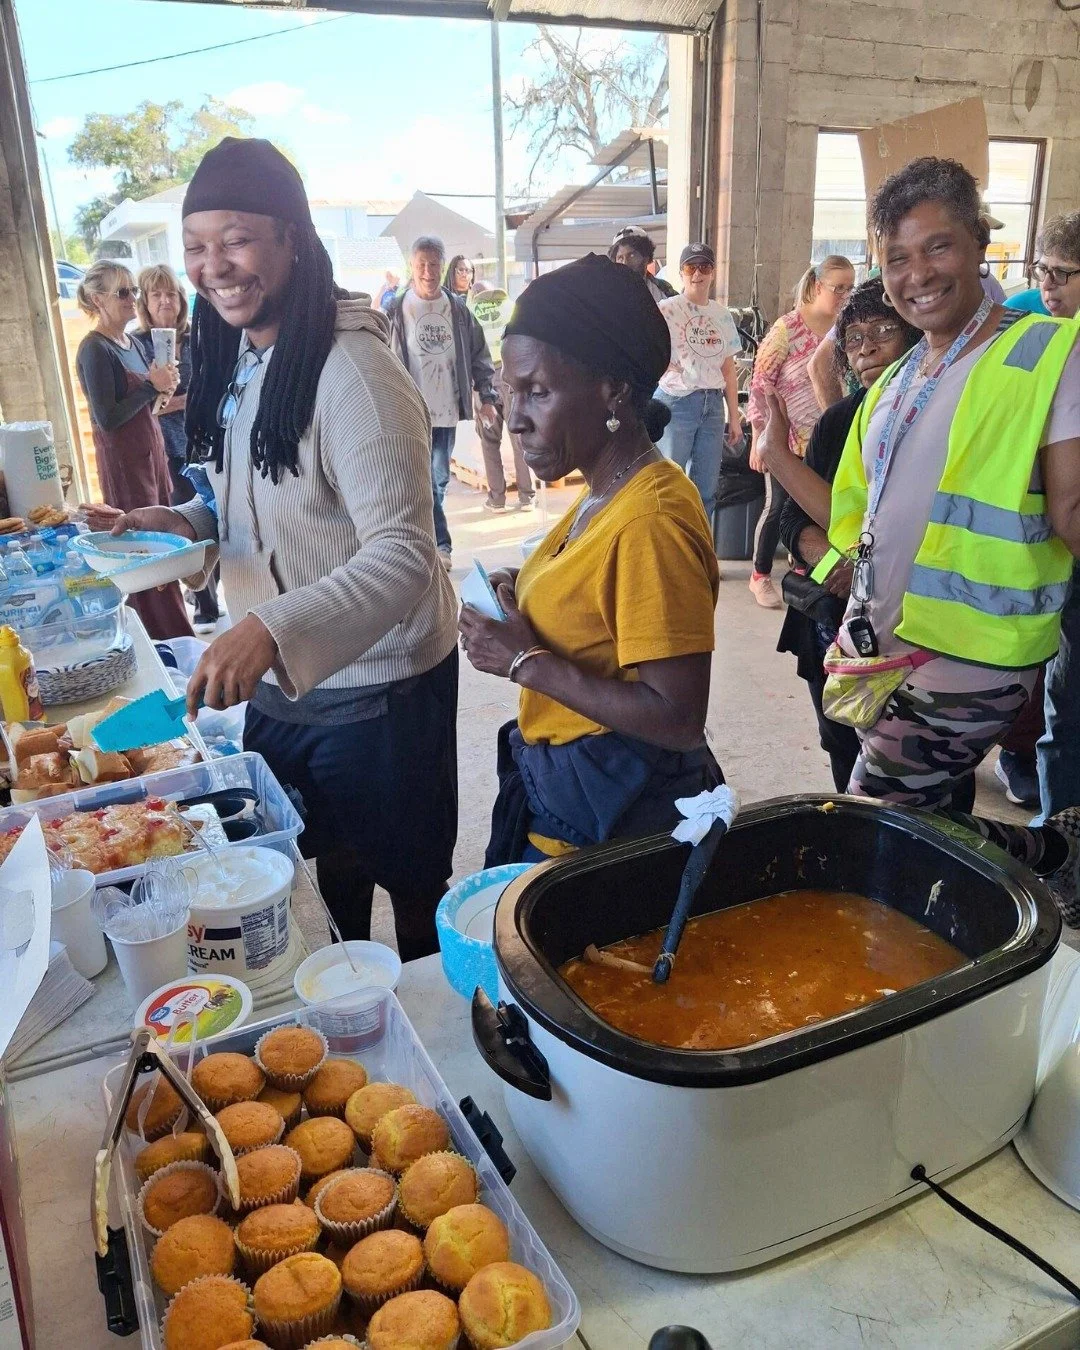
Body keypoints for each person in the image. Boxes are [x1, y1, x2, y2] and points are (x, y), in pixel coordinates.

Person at [92, 137, 459, 961]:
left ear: (293, 236)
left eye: (236, 238)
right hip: (290, 680)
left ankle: (427, 1029)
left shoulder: (353, 372)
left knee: (409, 887)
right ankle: (351, 991)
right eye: (196, 247)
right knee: (326, 865)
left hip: (381, 689)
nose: (213, 265)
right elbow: (243, 498)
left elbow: (405, 553)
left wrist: (268, 630)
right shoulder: (253, 361)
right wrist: (170, 519)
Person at [811, 156, 1080, 812]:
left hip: (971, 657)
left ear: (980, 245)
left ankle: (1038, 855)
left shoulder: (1051, 352)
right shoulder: (900, 377)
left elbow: (1071, 508)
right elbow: (865, 513)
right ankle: (1043, 852)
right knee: (918, 827)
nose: (918, 274)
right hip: (885, 646)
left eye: (939, 246)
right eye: (897, 258)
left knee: (869, 824)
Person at [459, 254, 722, 864]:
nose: (515, 418)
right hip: (567, 797)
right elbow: (595, 601)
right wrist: (522, 589)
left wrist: (523, 659)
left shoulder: (650, 521)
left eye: (538, 392)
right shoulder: (603, 490)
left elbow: (679, 718)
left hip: (605, 829)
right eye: (508, 388)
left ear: (615, 391)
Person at [765, 280, 921, 793]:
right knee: (842, 747)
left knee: (920, 764)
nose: (867, 347)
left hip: (915, 630)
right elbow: (789, 518)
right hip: (833, 624)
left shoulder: (938, 419)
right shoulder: (837, 422)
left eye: (883, 331)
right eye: (854, 338)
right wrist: (835, 566)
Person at [74, 261, 192, 640]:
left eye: (132, 291)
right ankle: (162, 635)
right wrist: (148, 386)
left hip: (152, 455)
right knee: (142, 548)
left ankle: (174, 631)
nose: (132, 299)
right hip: (126, 464)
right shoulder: (95, 349)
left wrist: (163, 388)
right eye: (122, 292)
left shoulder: (133, 343)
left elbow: (150, 406)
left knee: (164, 543)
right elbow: (107, 418)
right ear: (98, 299)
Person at [746, 254, 855, 609]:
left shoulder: (847, 329)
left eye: (850, 289)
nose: (844, 296)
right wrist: (761, 434)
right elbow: (761, 382)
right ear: (816, 286)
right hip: (787, 439)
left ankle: (806, 573)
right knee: (779, 507)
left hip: (824, 440)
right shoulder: (787, 328)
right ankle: (760, 575)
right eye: (838, 288)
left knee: (819, 510)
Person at [386, 235, 501, 571]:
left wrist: (488, 398)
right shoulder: (395, 310)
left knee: (436, 481)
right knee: (412, 480)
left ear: (442, 267)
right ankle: (431, 544)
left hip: (445, 411)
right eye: (421, 264)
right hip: (407, 412)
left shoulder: (459, 310)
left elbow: (481, 355)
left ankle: (436, 546)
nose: (427, 271)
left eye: (433, 264)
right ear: (412, 266)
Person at [133, 264, 221, 634]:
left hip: (198, 441)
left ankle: (209, 601)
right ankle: (200, 600)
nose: (166, 300)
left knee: (209, 513)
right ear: (146, 303)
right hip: (161, 445)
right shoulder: (136, 343)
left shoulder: (196, 335)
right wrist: (161, 398)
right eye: (157, 295)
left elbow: (210, 386)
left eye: (171, 293)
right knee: (178, 517)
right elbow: (138, 400)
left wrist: (175, 399)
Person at [1032, 211, 1080, 821]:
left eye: (1063, 273)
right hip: (1065, 552)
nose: (1048, 285)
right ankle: (1060, 841)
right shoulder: (1045, 341)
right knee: (1065, 707)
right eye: (1043, 269)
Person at [655, 243, 744, 534]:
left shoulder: (722, 316)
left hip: (712, 404)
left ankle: (698, 553)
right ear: (681, 273)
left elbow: (728, 368)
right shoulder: (666, 310)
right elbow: (647, 348)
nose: (697, 274)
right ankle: (666, 552)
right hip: (676, 402)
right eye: (690, 268)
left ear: (713, 272)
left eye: (704, 267)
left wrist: (734, 416)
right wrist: (667, 368)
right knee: (669, 485)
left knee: (706, 488)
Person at [609, 227, 677, 303]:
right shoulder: (607, 293)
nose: (625, 263)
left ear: (646, 257)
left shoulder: (663, 289)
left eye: (632, 256)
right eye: (620, 258)